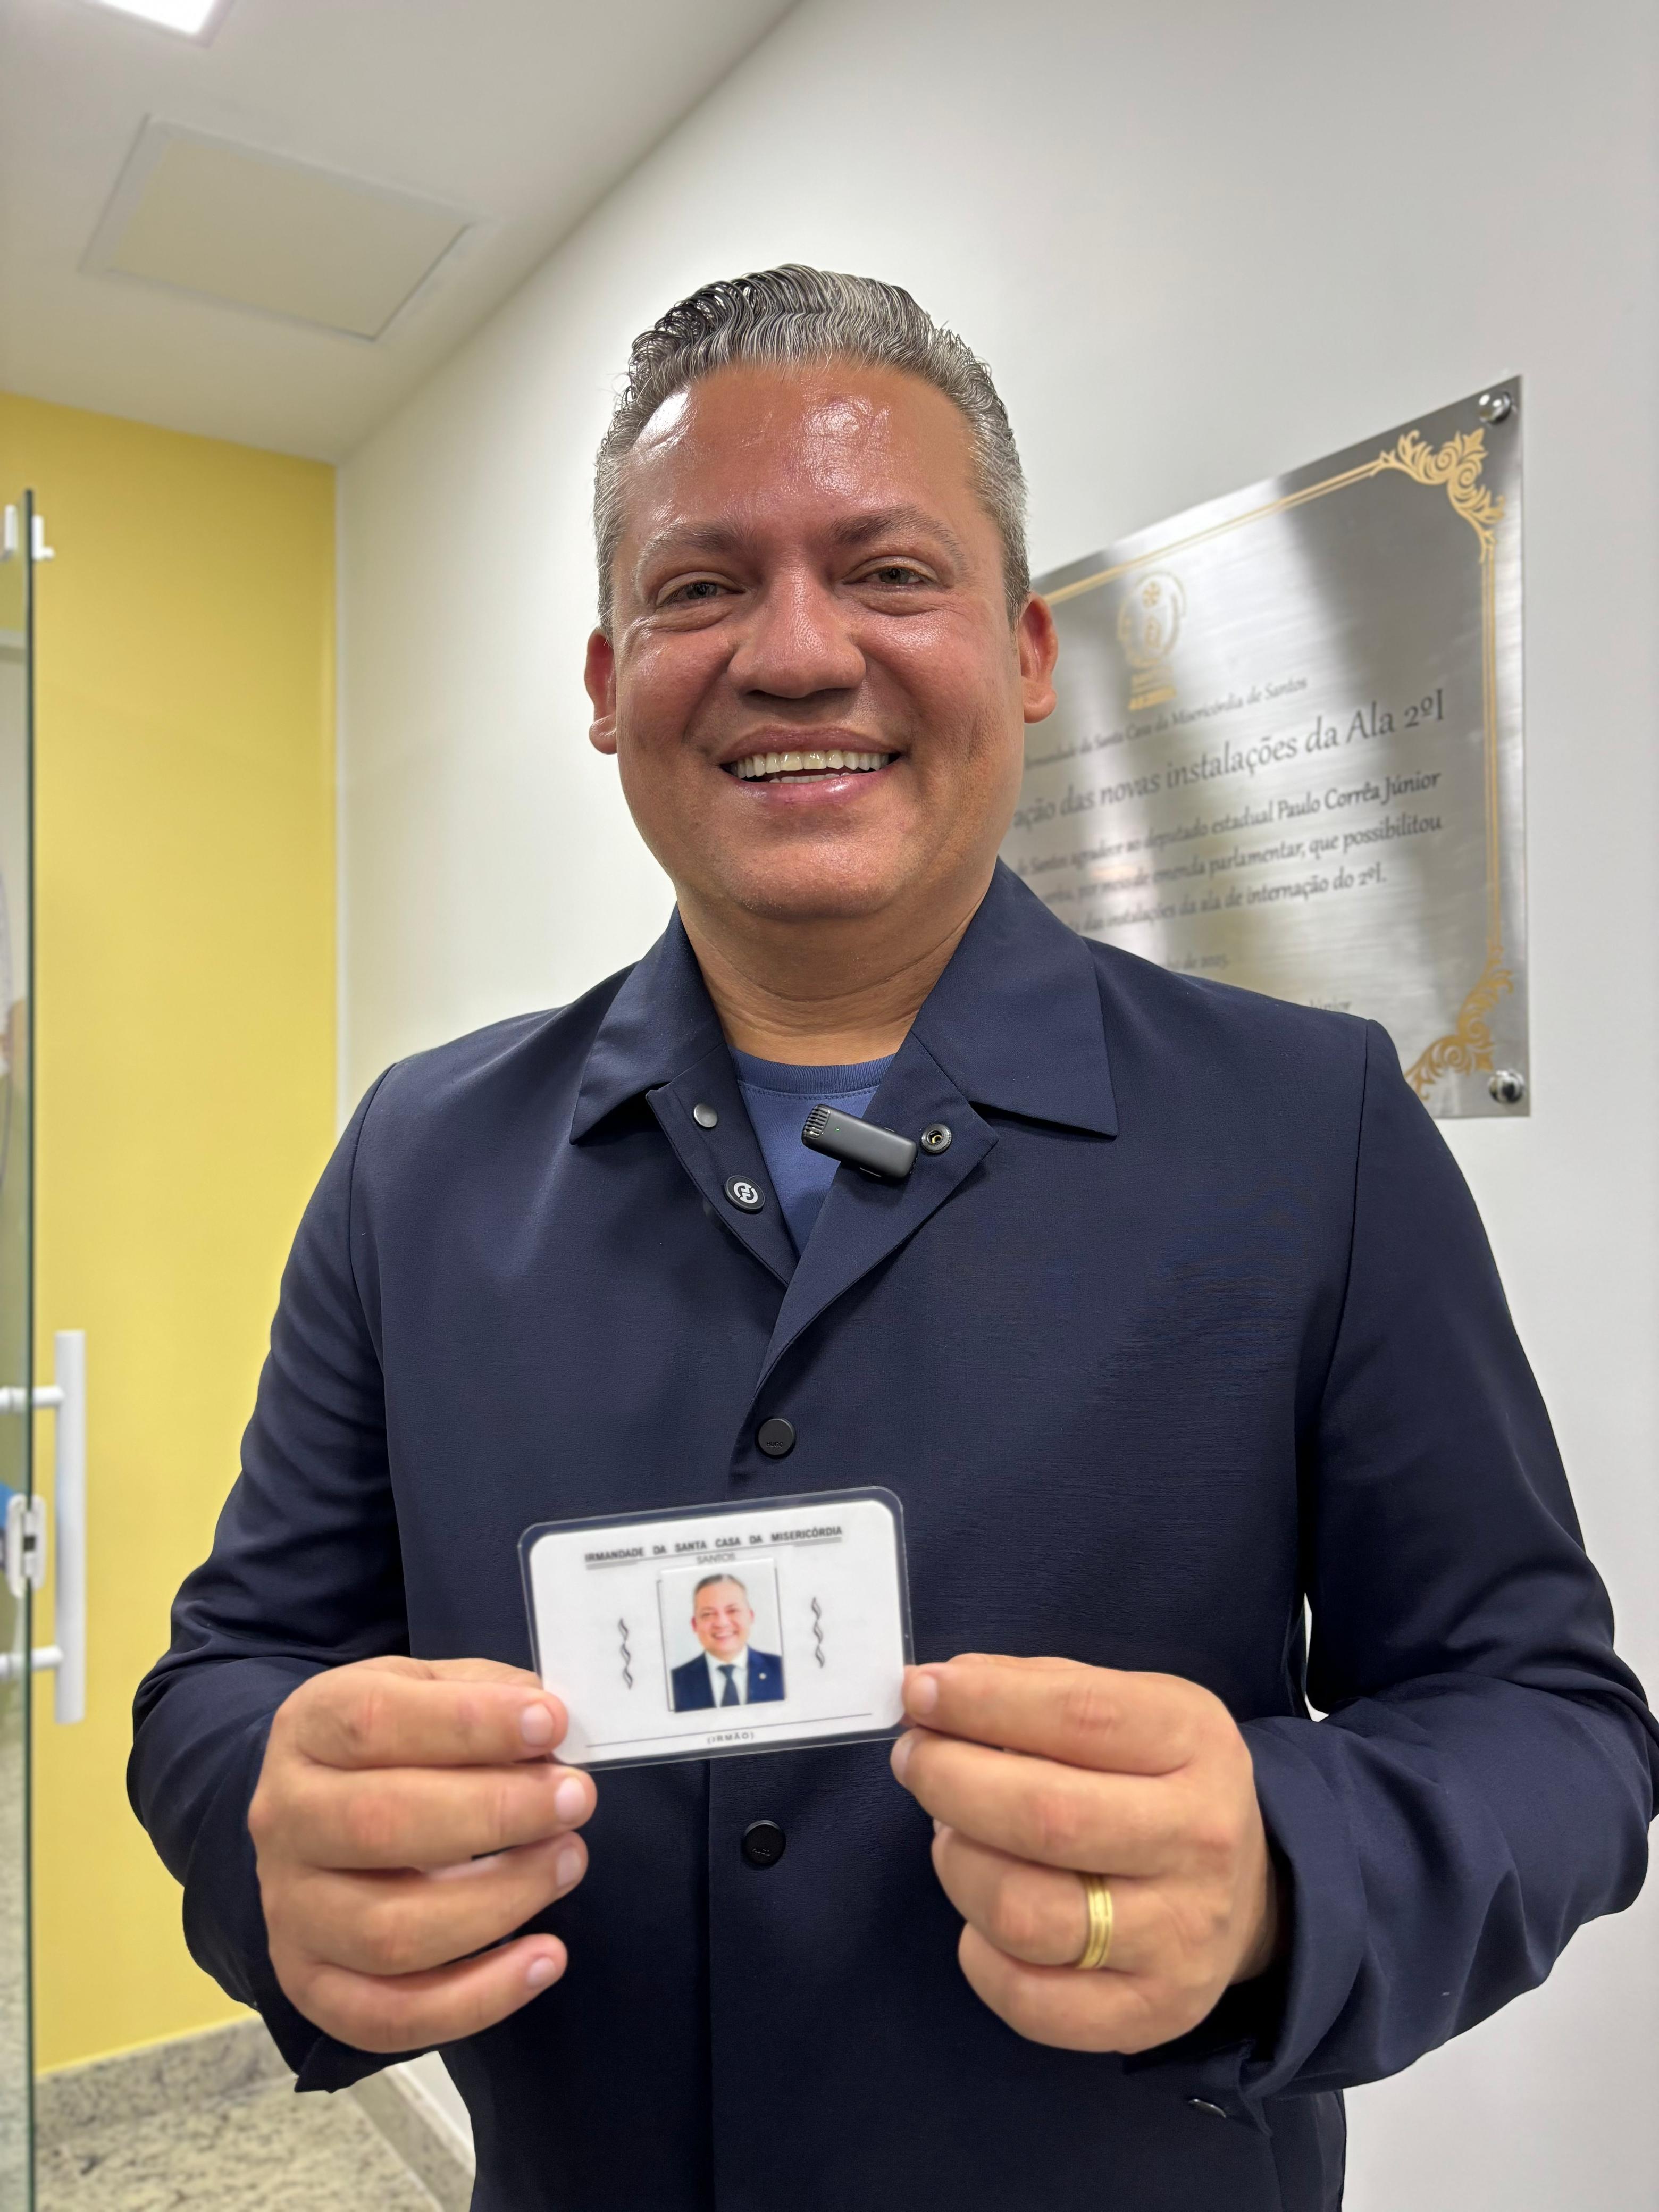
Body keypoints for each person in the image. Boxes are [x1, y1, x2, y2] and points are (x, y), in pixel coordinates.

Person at [131, 266, 1657, 2212]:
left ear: (1021, 651)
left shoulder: (1312, 1130)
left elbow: (1549, 1726)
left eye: (888, 572)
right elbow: (233, 1671)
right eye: (698, 586)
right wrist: (268, 1824)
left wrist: (1286, 1866)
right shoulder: (416, 1163)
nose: (793, 652)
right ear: (605, 684)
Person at [670, 1573, 785, 1710]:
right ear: (695, 1624)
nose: (722, 1623)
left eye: (733, 1611)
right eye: (708, 1614)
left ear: (750, 1616)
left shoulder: (782, 1670)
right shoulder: (674, 1683)